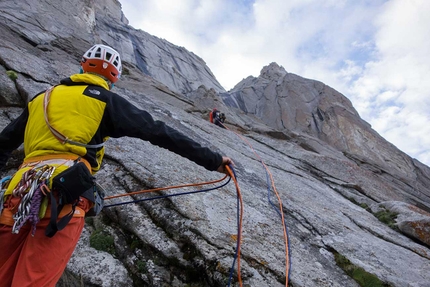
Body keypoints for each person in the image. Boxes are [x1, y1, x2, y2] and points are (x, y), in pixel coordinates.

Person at [0, 44, 234, 286]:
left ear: (83, 65)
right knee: (32, 280)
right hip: (63, 197)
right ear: (113, 77)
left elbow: (3, 144)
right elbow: (159, 132)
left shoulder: (41, 98)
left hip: (18, 194)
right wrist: (213, 160)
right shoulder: (105, 100)